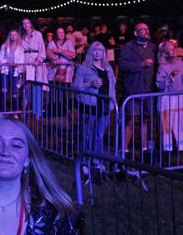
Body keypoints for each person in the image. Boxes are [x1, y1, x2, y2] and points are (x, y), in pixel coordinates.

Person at [72, 42, 117, 172]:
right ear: (91, 52)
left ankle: (97, 161)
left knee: (99, 135)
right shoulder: (84, 68)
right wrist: (90, 83)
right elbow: (75, 86)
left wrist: (113, 103)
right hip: (89, 105)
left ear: (104, 53)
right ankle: (84, 162)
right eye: (95, 51)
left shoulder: (108, 68)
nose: (98, 53)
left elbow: (112, 87)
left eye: (101, 51)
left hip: (104, 106)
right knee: (87, 134)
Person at [118, 22, 157, 156]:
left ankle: (145, 148)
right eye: (143, 29)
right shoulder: (129, 47)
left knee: (145, 120)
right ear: (136, 33)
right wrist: (141, 64)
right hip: (133, 90)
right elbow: (122, 65)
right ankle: (125, 149)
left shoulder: (153, 47)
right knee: (130, 120)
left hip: (148, 90)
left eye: (147, 29)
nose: (146, 31)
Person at [155, 41, 183, 152]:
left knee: (180, 123)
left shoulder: (181, 64)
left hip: (180, 96)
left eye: (174, 48)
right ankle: (167, 150)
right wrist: (171, 76)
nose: (174, 50)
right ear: (165, 54)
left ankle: (181, 148)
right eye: (171, 49)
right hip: (167, 98)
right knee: (166, 124)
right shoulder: (163, 66)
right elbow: (159, 84)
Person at [21, 18, 47, 119]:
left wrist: (39, 60)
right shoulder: (22, 36)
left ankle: (37, 112)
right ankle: (23, 111)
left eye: (27, 23)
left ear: (31, 24)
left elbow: (42, 50)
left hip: (36, 63)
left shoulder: (38, 34)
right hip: (26, 63)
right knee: (26, 88)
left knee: (37, 87)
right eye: (24, 23)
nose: (25, 25)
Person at [0, 29, 25, 115]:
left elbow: (22, 60)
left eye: (15, 35)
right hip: (5, 71)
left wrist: (17, 66)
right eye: (11, 35)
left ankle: (15, 112)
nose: (13, 36)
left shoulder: (21, 47)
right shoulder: (4, 46)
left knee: (14, 93)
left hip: (16, 71)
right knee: (4, 91)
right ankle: (1, 112)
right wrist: (7, 63)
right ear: (9, 36)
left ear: (17, 36)